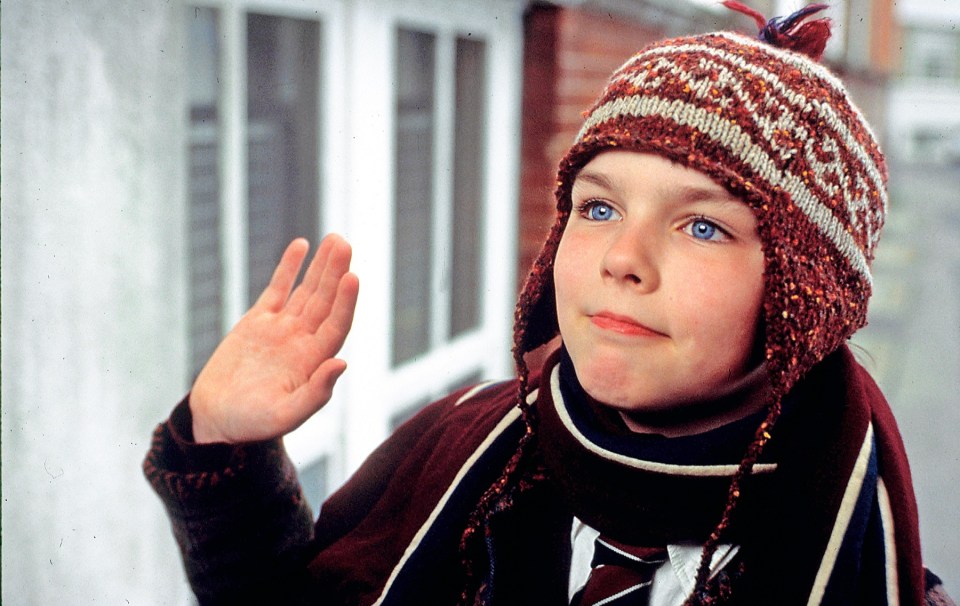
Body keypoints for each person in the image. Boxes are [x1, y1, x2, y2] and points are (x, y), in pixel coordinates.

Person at [144, 4, 955, 605]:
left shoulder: (861, 563)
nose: (621, 260)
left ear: (806, 295)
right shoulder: (461, 452)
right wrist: (225, 451)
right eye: (599, 208)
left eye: (702, 225)